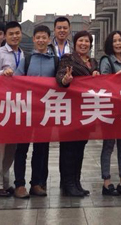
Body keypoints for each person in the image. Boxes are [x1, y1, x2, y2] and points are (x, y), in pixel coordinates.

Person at [13, 24, 59, 198]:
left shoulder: (55, 61)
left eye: (44, 37)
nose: (41, 40)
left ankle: (36, 183)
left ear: (49, 40)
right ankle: (19, 184)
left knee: (41, 149)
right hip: (26, 111)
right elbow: (16, 81)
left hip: (45, 112)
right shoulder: (26, 59)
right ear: (33, 39)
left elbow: (60, 82)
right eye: (38, 37)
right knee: (22, 149)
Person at [56, 30, 99, 197]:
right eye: (80, 41)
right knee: (68, 149)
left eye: (87, 41)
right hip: (70, 109)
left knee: (80, 148)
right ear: (75, 43)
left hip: (86, 110)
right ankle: (67, 184)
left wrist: (97, 75)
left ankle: (76, 182)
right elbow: (60, 77)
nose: (84, 44)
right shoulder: (68, 58)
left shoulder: (93, 62)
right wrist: (65, 80)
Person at [0, 21, 25, 197]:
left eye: (17, 33)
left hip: (17, 104)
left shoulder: (22, 54)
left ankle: (4, 181)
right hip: (1, 103)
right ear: (5, 36)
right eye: (11, 34)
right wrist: (2, 73)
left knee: (12, 147)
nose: (14, 36)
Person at [99, 30, 121, 196]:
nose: (118, 44)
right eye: (115, 41)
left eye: (120, 40)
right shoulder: (106, 60)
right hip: (110, 109)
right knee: (108, 145)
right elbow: (104, 82)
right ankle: (106, 182)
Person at [51, 15, 72, 190]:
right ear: (54, 30)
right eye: (59, 28)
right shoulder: (47, 47)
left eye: (65, 28)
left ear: (69, 30)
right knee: (42, 143)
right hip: (48, 99)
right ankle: (39, 182)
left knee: (68, 142)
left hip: (69, 100)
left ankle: (67, 181)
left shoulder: (73, 49)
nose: (62, 31)